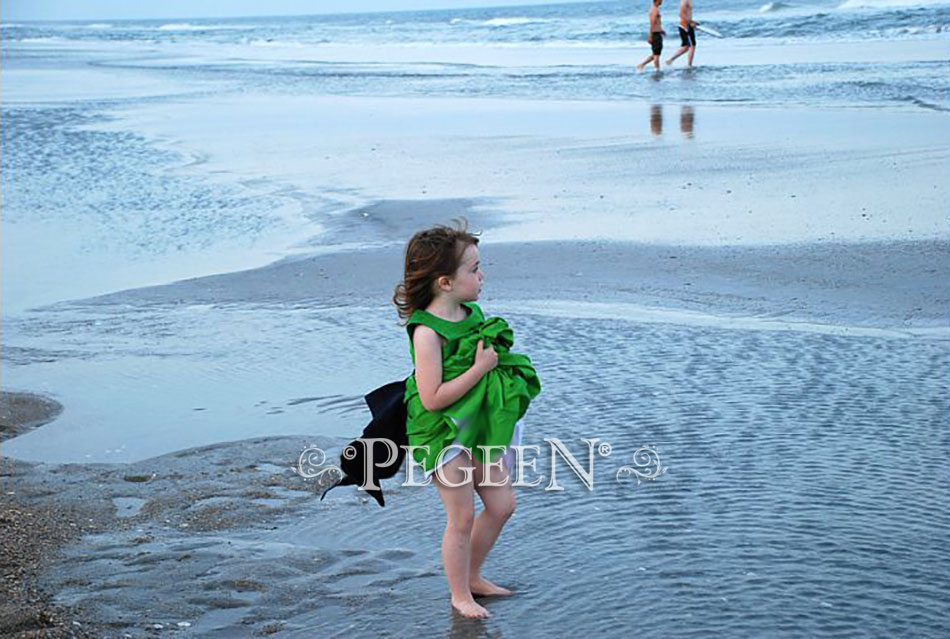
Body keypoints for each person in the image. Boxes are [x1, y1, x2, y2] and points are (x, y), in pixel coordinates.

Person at [393, 219, 541, 619]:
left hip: (477, 421)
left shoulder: (472, 312)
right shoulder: (426, 332)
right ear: (444, 282)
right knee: (460, 515)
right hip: (440, 430)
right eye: (473, 269)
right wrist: (480, 369)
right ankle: (459, 594)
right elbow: (433, 397)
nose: (481, 276)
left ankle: (473, 576)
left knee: (502, 504)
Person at [636, 0, 666, 73]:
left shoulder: (656, 9)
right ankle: (657, 71)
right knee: (656, 55)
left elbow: (656, 23)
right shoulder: (654, 10)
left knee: (655, 54)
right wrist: (650, 35)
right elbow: (652, 23)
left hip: (657, 33)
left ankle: (641, 65)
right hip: (655, 34)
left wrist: (661, 30)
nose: (662, 1)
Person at [666, 0, 698, 67]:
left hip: (687, 24)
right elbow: (681, 14)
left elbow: (687, 13)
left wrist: (692, 22)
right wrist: (689, 23)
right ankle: (689, 65)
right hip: (685, 26)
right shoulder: (684, 1)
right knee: (692, 45)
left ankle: (670, 60)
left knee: (686, 47)